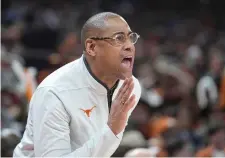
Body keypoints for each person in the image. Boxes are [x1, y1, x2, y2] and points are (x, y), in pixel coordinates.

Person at [13, 12, 141, 157]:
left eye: (131, 38)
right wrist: (112, 130)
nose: (130, 46)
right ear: (92, 47)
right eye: (119, 38)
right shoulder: (54, 93)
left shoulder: (131, 88)